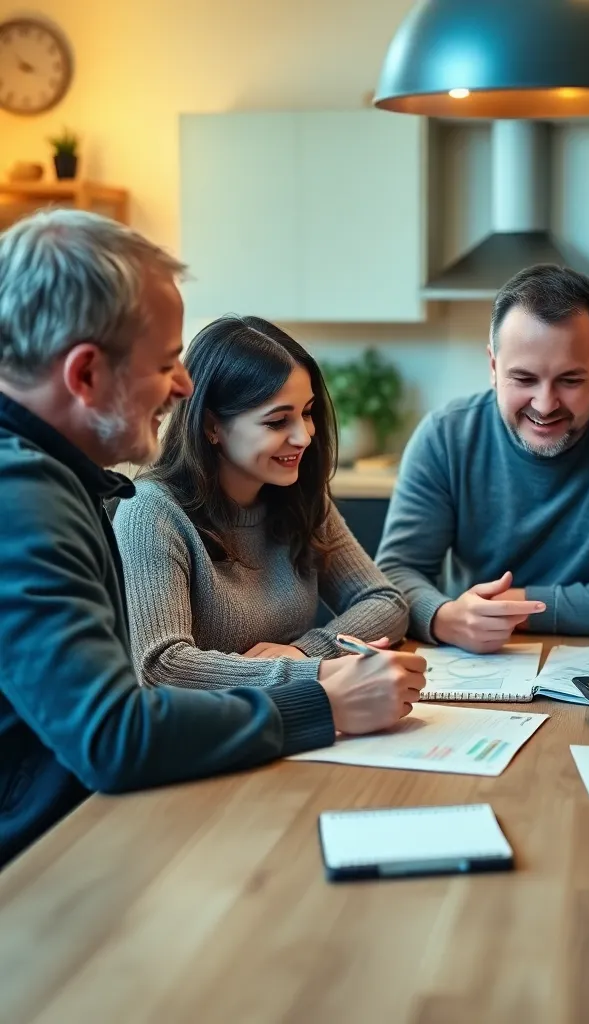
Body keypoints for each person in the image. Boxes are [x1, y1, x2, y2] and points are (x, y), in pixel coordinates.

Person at [0, 210, 425, 869]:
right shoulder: (23, 501)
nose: (185, 386)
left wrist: (306, 664)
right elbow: (117, 731)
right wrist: (318, 697)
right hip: (45, 863)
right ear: (84, 376)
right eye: (167, 362)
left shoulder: (58, 480)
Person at [375, 264, 589, 652]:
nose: (545, 404)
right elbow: (394, 571)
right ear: (493, 367)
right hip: (473, 659)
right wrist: (443, 616)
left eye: (569, 380)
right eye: (524, 379)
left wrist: (510, 608)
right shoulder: (445, 436)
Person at [113, 315, 408, 689]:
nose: (304, 436)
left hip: (288, 720)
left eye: (307, 412)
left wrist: (307, 652)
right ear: (211, 427)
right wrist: (303, 674)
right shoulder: (150, 512)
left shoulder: (299, 496)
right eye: (277, 422)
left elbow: (386, 602)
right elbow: (161, 668)